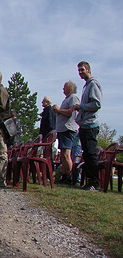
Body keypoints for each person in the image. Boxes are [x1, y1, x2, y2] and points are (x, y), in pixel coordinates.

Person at [73, 61, 102, 190]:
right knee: (87, 155)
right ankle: (89, 182)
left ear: (88, 70)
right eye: (79, 70)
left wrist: (81, 107)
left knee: (91, 154)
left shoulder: (93, 84)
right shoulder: (86, 86)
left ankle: (95, 183)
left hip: (90, 126)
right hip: (84, 125)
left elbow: (97, 104)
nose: (80, 72)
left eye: (82, 70)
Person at [52, 81, 80, 185]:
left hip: (68, 129)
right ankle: (64, 176)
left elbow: (71, 112)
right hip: (63, 130)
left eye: (64, 87)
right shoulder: (67, 99)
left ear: (70, 88)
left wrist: (59, 111)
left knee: (67, 154)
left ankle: (69, 177)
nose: (63, 89)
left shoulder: (73, 98)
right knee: (63, 154)